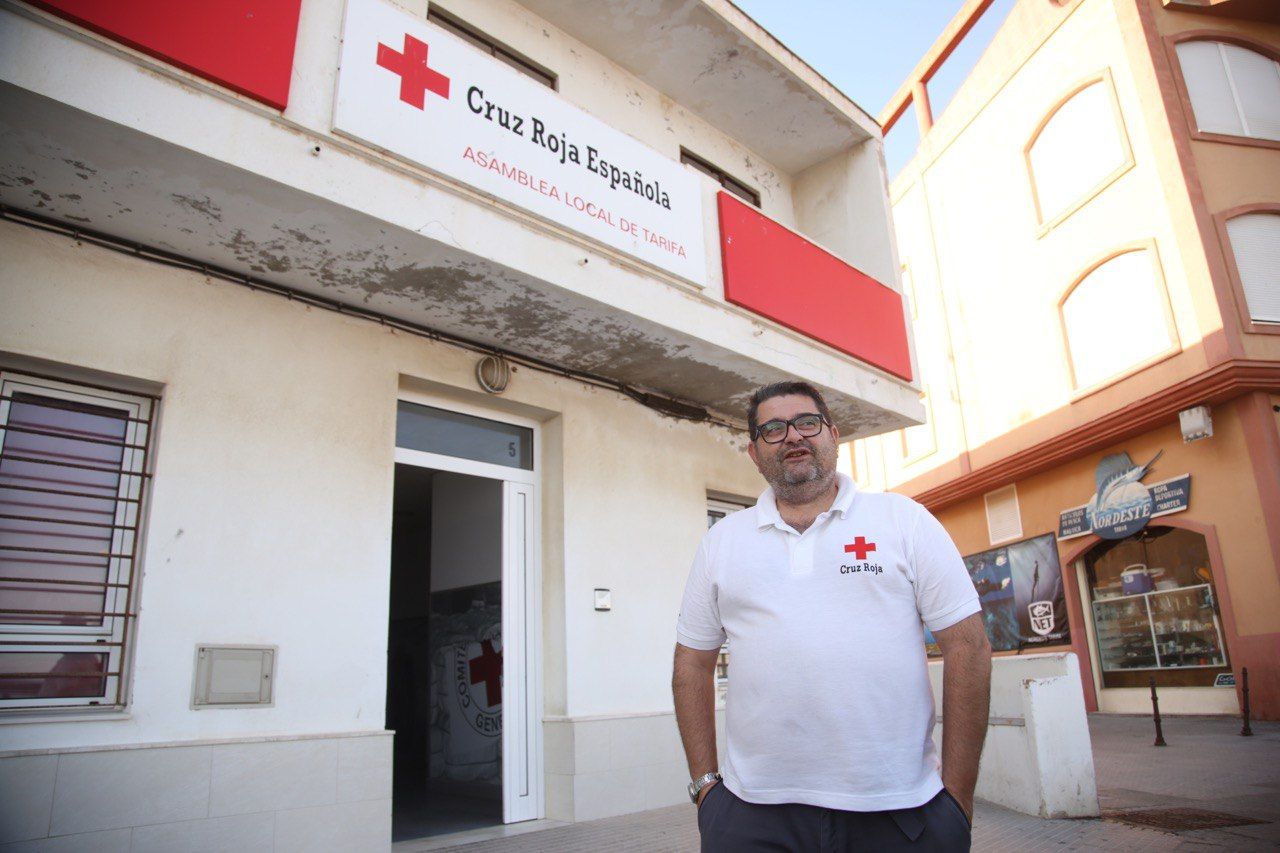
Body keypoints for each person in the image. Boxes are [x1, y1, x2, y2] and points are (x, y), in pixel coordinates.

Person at [672, 381, 992, 852]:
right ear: (754, 452)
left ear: (833, 435)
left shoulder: (903, 520)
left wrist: (958, 803)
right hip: (751, 815)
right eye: (773, 429)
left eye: (807, 422)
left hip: (900, 812)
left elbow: (969, 646)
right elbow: (691, 663)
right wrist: (706, 789)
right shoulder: (722, 542)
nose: (793, 436)